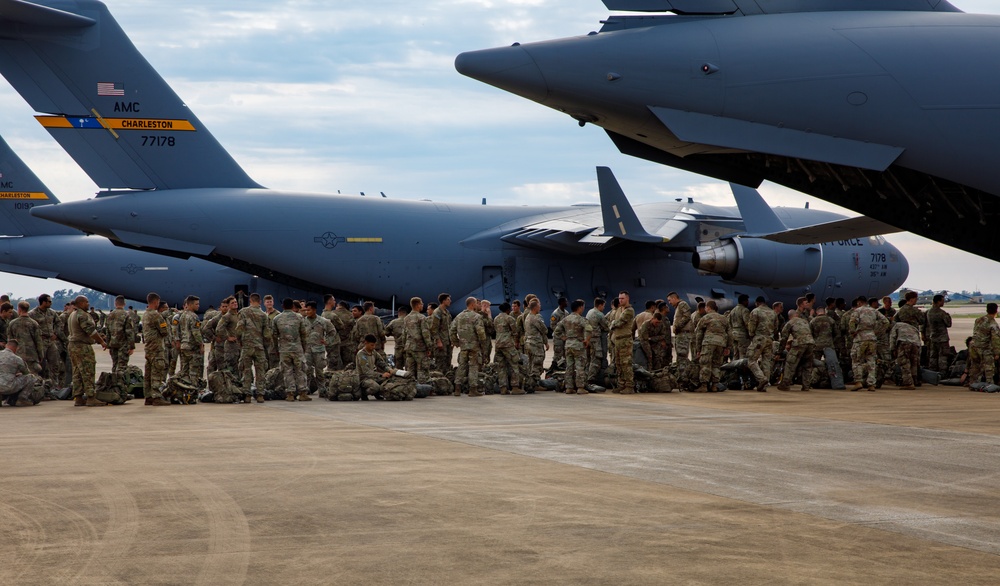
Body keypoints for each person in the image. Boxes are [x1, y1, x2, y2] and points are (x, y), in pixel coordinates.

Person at [67, 295, 108, 406]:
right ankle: (91, 397)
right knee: (88, 370)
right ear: (80, 303)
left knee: (77, 372)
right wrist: (102, 342)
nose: (88, 304)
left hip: (73, 345)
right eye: (86, 302)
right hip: (82, 346)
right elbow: (91, 331)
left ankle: (78, 397)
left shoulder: (72, 314)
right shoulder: (82, 315)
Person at [236, 293, 271, 403]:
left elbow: (239, 328)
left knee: (246, 370)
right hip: (259, 346)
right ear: (260, 301)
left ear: (250, 300)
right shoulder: (263, 315)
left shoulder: (244, 312)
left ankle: (247, 395)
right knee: (260, 371)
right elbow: (267, 334)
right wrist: (265, 345)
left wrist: (239, 341)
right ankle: (260, 394)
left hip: (247, 346)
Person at [273, 297, 310, 401]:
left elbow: (274, 335)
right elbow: (303, 334)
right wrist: (303, 347)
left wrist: (277, 348)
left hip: (284, 349)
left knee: (287, 371)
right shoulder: (299, 317)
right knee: (300, 370)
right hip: (297, 348)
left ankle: (290, 393)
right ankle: (302, 392)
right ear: (292, 306)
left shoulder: (277, 318)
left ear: (283, 306)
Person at [450, 297, 487, 397]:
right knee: (473, 366)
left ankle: (457, 389)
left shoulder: (459, 316)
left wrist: (456, 342)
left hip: (463, 346)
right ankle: (472, 389)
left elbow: (452, 330)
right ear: (472, 304)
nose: (476, 305)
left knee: (461, 366)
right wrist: (483, 344)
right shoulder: (476, 316)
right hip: (474, 346)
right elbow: (480, 332)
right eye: (475, 303)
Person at [140, 292, 172, 406]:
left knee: (148, 373)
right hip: (157, 347)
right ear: (156, 302)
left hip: (148, 348)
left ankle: (148, 396)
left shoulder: (145, 314)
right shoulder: (156, 315)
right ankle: (156, 397)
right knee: (157, 372)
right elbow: (164, 331)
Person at [694, 300, 731, 392]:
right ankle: (714, 385)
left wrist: (698, 348)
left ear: (708, 308)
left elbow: (698, 334)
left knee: (705, 363)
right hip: (721, 343)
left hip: (708, 343)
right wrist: (728, 347)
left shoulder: (705, 318)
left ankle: (704, 385)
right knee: (716, 364)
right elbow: (730, 334)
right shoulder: (723, 318)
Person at [746, 298, 779, 392]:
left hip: (759, 338)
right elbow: (776, 327)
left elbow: (751, 327)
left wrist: (752, 336)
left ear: (757, 303)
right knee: (766, 362)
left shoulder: (755, 311)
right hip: (769, 339)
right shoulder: (773, 313)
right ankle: (765, 384)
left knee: (751, 360)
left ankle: (761, 379)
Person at [302, 300, 336, 390]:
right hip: (307, 350)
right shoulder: (302, 322)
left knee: (319, 371)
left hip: (319, 350)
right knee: (307, 370)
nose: (307, 312)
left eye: (309, 310)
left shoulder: (323, 321)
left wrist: (327, 341)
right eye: (306, 310)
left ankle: (322, 390)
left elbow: (332, 332)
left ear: (314, 310)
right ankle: (306, 389)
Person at [777, 311, 815, 391]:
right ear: (797, 315)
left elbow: (784, 338)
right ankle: (806, 386)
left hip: (799, 344)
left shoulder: (790, 323)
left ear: (789, 316)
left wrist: (779, 352)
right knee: (807, 365)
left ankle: (785, 384)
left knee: (790, 363)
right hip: (811, 343)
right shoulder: (805, 321)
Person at [848, 297, 879, 391]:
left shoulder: (858, 311)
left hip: (860, 339)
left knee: (857, 360)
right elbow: (885, 321)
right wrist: (876, 332)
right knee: (871, 361)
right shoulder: (874, 311)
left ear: (859, 303)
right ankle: (871, 384)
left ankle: (858, 382)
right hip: (872, 338)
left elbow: (852, 322)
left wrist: (853, 332)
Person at [561, 299, 592, 395]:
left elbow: (557, 330)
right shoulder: (581, 319)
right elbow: (589, 329)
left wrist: (564, 337)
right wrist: (587, 340)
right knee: (579, 366)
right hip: (578, 345)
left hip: (568, 345)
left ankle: (569, 388)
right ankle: (580, 387)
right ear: (580, 308)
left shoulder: (565, 319)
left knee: (569, 367)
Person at [28, 293, 61, 381]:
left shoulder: (52, 312)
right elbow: (29, 327)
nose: (51, 303)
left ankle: (54, 384)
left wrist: (56, 333)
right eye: (49, 301)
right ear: (43, 302)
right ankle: (40, 383)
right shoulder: (32, 314)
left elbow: (58, 323)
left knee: (55, 363)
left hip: (51, 341)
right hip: (40, 342)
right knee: (40, 365)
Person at [890, 300, 921, 390]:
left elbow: (893, 338)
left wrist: (893, 350)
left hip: (904, 343)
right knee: (914, 363)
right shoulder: (912, 327)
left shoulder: (897, 325)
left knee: (904, 363)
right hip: (916, 344)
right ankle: (915, 381)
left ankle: (908, 383)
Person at [493, 302, 523, 395]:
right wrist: (516, 342)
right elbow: (515, 332)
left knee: (501, 366)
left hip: (498, 344)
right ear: (507, 309)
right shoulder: (509, 318)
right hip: (507, 344)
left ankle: (503, 388)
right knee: (514, 364)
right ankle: (515, 387)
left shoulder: (496, 318)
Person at [609, 291, 636, 394]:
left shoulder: (629, 310)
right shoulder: (619, 310)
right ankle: (621, 384)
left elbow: (619, 322)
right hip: (617, 339)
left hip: (625, 340)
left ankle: (629, 385)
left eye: (622, 298)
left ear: (627, 299)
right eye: (619, 298)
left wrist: (613, 324)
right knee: (618, 363)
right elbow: (611, 321)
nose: (620, 300)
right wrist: (613, 324)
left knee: (626, 363)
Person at [967, 303, 1000, 386]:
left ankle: (973, 383)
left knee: (975, 366)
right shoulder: (993, 324)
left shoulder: (978, 320)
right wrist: (997, 353)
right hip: (984, 348)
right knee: (989, 366)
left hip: (973, 346)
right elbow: (995, 339)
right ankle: (989, 384)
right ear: (996, 311)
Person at [0, 340, 41, 406]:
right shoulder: (17, 358)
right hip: (9, 386)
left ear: (6, 346)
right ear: (16, 348)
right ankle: (22, 399)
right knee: (31, 377)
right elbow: (26, 373)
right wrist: (17, 375)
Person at [7, 301, 43, 376]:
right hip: (32, 355)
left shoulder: (12, 323)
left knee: (19, 376)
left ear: (19, 309)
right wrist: (41, 355)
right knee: (33, 376)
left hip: (17, 355)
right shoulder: (34, 323)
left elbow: (10, 341)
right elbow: (38, 341)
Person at [176, 295, 205, 387]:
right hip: (192, 347)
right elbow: (196, 333)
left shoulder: (182, 316)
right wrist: (201, 345)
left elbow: (178, 331)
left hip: (184, 346)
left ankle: (183, 389)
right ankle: (193, 390)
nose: (198, 306)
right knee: (194, 371)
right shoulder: (194, 317)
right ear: (190, 305)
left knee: (184, 370)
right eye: (196, 304)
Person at [403, 297, 433, 383]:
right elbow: (425, 333)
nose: (422, 305)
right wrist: (429, 347)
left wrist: (405, 345)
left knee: (410, 370)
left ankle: (410, 387)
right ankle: (423, 387)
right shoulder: (421, 317)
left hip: (409, 347)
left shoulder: (406, 318)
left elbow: (404, 334)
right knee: (422, 369)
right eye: (421, 304)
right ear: (417, 305)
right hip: (419, 347)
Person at [105, 295, 135, 377]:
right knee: (122, 367)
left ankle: (113, 384)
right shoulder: (126, 315)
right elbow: (129, 332)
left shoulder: (110, 315)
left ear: (115, 303)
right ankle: (120, 385)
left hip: (113, 343)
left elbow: (107, 331)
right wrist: (131, 346)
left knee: (115, 365)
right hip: (123, 344)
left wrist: (108, 344)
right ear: (124, 304)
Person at [356, 333, 393, 399]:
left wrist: (389, 370)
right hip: (364, 378)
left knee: (389, 382)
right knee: (375, 387)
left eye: (374, 345)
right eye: (371, 345)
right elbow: (366, 371)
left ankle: (377, 393)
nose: (373, 347)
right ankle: (363, 393)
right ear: (366, 343)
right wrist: (381, 375)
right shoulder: (361, 354)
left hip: (373, 376)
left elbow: (381, 363)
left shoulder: (374, 352)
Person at [668, 292, 694, 386]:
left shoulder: (682, 304)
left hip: (683, 335)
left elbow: (687, 316)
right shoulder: (678, 307)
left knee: (682, 357)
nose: (669, 303)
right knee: (679, 357)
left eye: (670, 300)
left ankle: (683, 379)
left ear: (674, 298)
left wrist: (678, 326)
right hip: (680, 335)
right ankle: (680, 377)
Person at [524, 299, 548, 389]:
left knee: (530, 364)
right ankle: (535, 384)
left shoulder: (527, 317)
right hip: (536, 344)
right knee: (537, 364)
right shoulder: (535, 318)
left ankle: (529, 383)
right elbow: (544, 330)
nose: (540, 308)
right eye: (539, 306)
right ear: (535, 308)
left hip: (528, 343)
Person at [926, 294, 953, 372]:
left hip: (933, 337)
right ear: (938, 301)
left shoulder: (929, 312)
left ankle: (932, 372)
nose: (943, 303)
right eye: (942, 301)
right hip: (942, 338)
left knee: (933, 356)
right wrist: (948, 316)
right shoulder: (941, 313)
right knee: (943, 356)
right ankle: (942, 372)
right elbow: (948, 324)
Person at [586, 298, 610, 382]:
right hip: (595, 339)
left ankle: (585, 377)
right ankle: (591, 380)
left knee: (589, 360)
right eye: (603, 306)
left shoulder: (590, 312)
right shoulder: (599, 314)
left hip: (588, 339)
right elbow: (606, 326)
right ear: (599, 305)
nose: (603, 308)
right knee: (596, 360)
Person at [429, 294, 453, 372]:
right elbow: (434, 328)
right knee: (440, 364)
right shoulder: (437, 312)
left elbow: (449, 327)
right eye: (448, 299)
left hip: (447, 342)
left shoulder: (447, 312)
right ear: (443, 301)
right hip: (441, 342)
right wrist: (438, 341)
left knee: (447, 363)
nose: (450, 301)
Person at [728, 294, 752, 359]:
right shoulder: (744, 310)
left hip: (734, 334)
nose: (748, 302)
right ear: (743, 301)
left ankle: (735, 368)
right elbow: (747, 323)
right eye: (747, 301)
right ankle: (742, 369)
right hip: (742, 336)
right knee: (743, 354)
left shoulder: (733, 310)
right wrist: (751, 334)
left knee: (735, 354)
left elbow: (729, 323)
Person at [549, 297, 569, 369]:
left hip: (565, 337)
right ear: (561, 303)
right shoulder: (555, 313)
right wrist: (561, 335)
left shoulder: (566, 313)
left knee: (565, 354)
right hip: (558, 338)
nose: (567, 303)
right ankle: (553, 367)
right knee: (557, 354)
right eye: (565, 302)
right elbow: (552, 325)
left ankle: (563, 367)